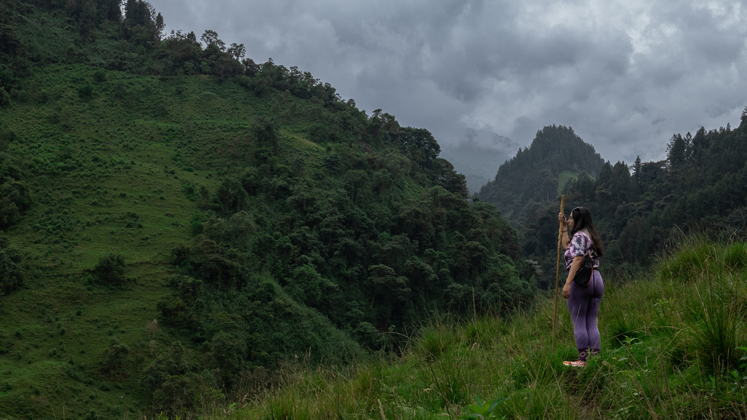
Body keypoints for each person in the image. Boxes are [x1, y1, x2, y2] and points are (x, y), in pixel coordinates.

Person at [558, 207, 604, 367]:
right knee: (591, 320)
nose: (569, 220)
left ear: (578, 220)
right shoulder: (589, 235)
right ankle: (595, 358)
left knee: (579, 321)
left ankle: (582, 360)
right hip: (596, 278)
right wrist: (563, 227)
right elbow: (566, 246)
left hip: (582, 280)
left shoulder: (578, 236)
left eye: (570, 218)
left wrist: (568, 282)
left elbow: (577, 259)